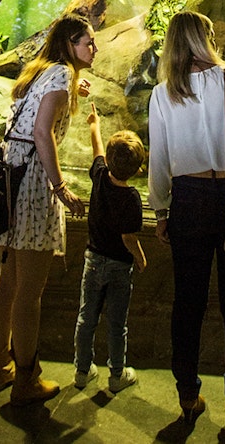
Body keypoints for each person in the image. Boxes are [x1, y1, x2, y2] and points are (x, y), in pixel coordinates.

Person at [148, 11, 225, 440]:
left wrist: (161, 210)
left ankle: (188, 397)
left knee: (189, 304)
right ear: (203, 39)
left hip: (187, 201)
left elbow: (159, 159)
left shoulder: (163, 93)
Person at [0, 14, 95, 406]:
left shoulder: (43, 71)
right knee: (29, 293)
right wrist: (60, 186)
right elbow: (41, 130)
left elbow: (29, 114)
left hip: (10, 178)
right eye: (88, 42)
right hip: (32, 183)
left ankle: (1, 366)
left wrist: (75, 89)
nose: (94, 49)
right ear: (69, 43)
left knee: (9, 281)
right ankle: (26, 380)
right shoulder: (61, 77)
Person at [72, 102, 147, 394]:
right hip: (119, 266)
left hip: (93, 260)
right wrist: (140, 258)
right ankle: (117, 374)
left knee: (86, 317)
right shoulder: (131, 198)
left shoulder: (99, 176)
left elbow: (98, 149)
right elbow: (129, 237)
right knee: (117, 323)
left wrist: (94, 124)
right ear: (138, 169)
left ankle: (82, 370)